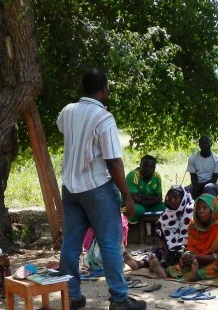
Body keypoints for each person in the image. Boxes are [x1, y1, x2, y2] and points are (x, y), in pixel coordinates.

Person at [57, 68, 145, 309]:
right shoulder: (103, 118)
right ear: (104, 87)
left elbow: (63, 129)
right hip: (96, 187)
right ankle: (119, 298)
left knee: (71, 242)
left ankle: (71, 295)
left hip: (70, 188)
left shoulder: (67, 111)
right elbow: (113, 161)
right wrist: (127, 196)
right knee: (110, 243)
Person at [160, 194, 218, 281]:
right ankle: (166, 271)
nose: (200, 211)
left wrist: (199, 257)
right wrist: (188, 256)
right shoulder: (194, 226)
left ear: (213, 209)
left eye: (205, 208)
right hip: (199, 259)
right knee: (185, 265)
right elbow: (191, 247)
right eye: (198, 207)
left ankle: (197, 275)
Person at [125, 155, 166, 224]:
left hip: (148, 205)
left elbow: (159, 198)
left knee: (168, 207)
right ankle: (132, 227)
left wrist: (142, 196)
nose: (147, 169)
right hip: (133, 205)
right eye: (145, 166)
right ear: (140, 165)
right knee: (138, 210)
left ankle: (160, 229)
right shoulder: (134, 175)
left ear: (154, 168)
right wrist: (151, 198)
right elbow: (133, 198)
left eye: (150, 167)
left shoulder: (157, 177)